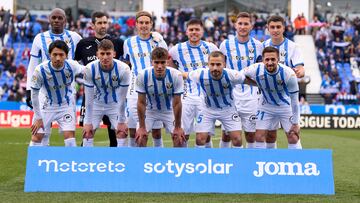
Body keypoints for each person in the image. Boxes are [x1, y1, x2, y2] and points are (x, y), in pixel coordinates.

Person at [26, 8, 82, 146]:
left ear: (65, 20)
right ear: (49, 19)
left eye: (59, 18)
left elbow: (81, 62)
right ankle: (41, 164)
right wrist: (29, 89)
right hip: (45, 91)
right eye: (54, 18)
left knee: (69, 135)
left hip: (67, 91)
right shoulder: (39, 38)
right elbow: (32, 65)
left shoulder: (75, 37)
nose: (56, 20)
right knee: (42, 132)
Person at [185, 51, 255, 148]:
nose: (215, 68)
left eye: (218, 64)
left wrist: (265, 85)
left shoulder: (233, 75)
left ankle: (237, 162)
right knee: (200, 139)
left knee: (237, 140)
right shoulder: (199, 74)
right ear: (208, 64)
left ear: (224, 64)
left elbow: (248, 81)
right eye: (212, 64)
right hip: (207, 110)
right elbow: (183, 75)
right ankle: (203, 162)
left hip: (228, 110)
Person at [75, 11, 124, 147]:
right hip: (91, 97)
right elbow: (73, 64)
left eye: (105, 22)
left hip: (113, 97)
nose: (103, 25)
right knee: (87, 133)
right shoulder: (83, 44)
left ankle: (116, 164)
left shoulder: (118, 43)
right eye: (99, 22)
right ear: (92, 25)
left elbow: (127, 64)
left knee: (114, 135)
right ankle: (84, 163)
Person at [168, 18, 218, 147]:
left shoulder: (211, 47)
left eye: (197, 29)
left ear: (202, 31)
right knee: (180, 136)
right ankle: (181, 164)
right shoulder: (176, 50)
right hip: (185, 98)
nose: (194, 32)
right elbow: (171, 70)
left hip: (205, 97)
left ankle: (205, 164)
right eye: (191, 30)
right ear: (186, 31)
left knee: (204, 137)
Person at [243, 46, 302, 149]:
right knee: (259, 136)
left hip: (285, 106)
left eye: (273, 59)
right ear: (263, 60)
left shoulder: (289, 74)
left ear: (278, 60)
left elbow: (294, 100)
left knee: (293, 136)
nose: (270, 62)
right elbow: (239, 76)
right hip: (266, 106)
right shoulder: (255, 69)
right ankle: (260, 163)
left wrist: (296, 123)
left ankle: (297, 163)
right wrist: (256, 84)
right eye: (267, 59)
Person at [123, 11, 168, 147]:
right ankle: (134, 158)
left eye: (147, 22)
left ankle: (157, 158)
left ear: (151, 24)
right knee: (132, 128)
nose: (144, 25)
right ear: (136, 24)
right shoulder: (128, 43)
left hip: (155, 87)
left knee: (156, 131)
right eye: (141, 22)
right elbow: (126, 64)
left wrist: (160, 40)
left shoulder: (158, 41)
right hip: (134, 88)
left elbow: (166, 59)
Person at [219, 12, 263, 148]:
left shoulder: (258, 46)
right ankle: (223, 164)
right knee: (227, 134)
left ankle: (249, 164)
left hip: (251, 97)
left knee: (251, 135)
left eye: (246, 24)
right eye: (240, 24)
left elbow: (259, 71)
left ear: (251, 26)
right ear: (235, 25)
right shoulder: (225, 45)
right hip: (230, 96)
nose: (243, 27)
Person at [262, 15, 305, 148]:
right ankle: (271, 164)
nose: (275, 30)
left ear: (284, 28)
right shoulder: (262, 46)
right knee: (270, 135)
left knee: (293, 135)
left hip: (287, 100)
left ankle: (297, 164)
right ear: (268, 29)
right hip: (267, 100)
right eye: (272, 27)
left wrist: (299, 71)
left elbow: (300, 68)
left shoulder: (293, 47)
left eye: (278, 27)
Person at [82, 39, 130, 147]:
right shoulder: (89, 69)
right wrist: (88, 122)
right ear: (97, 54)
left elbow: (122, 100)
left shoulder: (124, 69)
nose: (105, 57)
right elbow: (88, 100)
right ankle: (86, 161)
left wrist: (122, 121)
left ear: (114, 54)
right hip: (96, 104)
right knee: (87, 133)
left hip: (115, 105)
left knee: (122, 132)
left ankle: (121, 162)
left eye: (108, 53)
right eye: (102, 54)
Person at [135, 47, 185, 147]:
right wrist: (141, 127)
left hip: (169, 110)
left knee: (179, 138)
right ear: (151, 62)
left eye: (163, 62)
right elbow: (141, 102)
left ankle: (177, 161)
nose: (159, 66)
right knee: (140, 138)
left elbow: (177, 103)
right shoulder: (142, 75)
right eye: (156, 62)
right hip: (150, 110)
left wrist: (178, 127)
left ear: (167, 62)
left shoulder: (176, 75)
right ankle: (140, 161)